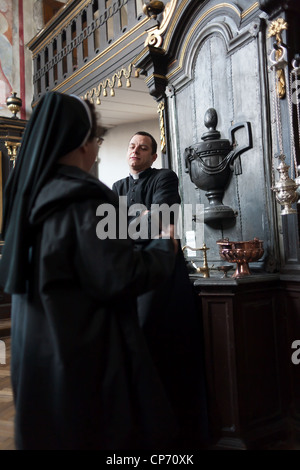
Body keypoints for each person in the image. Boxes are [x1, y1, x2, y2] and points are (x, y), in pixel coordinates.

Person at [0, 92, 180, 450]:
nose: (97, 151)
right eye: (97, 141)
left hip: (40, 349)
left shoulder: (35, 195)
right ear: (82, 144)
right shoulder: (82, 199)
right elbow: (121, 275)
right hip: (83, 353)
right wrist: (165, 246)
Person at [112, 132, 210, 449]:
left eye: (143, 147)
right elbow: (109, 230)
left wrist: (128, 223)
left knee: (167, 350)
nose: (135, 150)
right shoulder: (116, 188)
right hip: (131, 275)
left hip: (164, 276)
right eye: (132, 146)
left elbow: (164, 219)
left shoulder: (164, 176)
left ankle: (176, 433)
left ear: (153, 156)